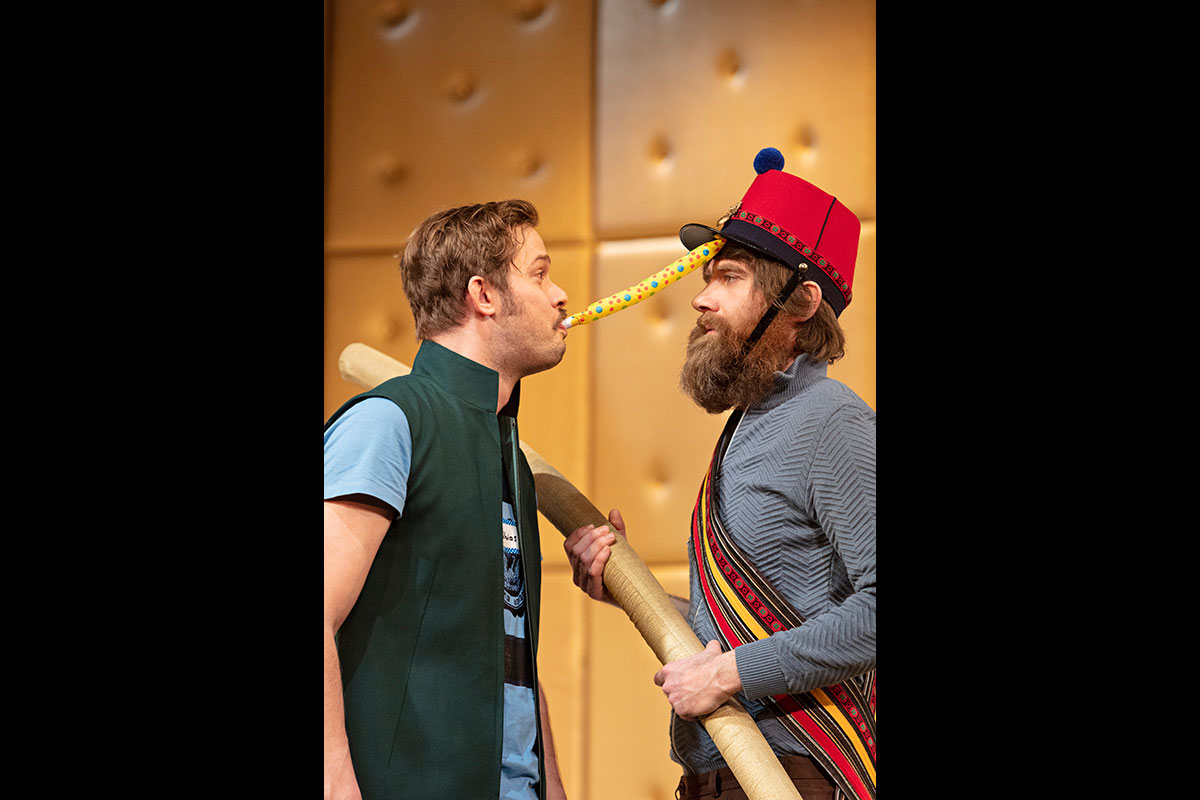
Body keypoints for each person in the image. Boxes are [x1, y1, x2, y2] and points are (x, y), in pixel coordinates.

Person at [564, 149, 875, 800]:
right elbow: (738, 630)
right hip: (713, 780)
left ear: (801, 301)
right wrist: (627, 587)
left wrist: (732, 674)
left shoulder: (832, 420)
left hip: (797, 778)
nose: (701, 299)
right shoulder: (750, 424)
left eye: (729, 278)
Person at [324, 199, 571, 800]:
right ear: (483, 295)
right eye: (540, 274)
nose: (560, 295)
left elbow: (510, 656)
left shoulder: (510, 457)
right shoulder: (390, 421)